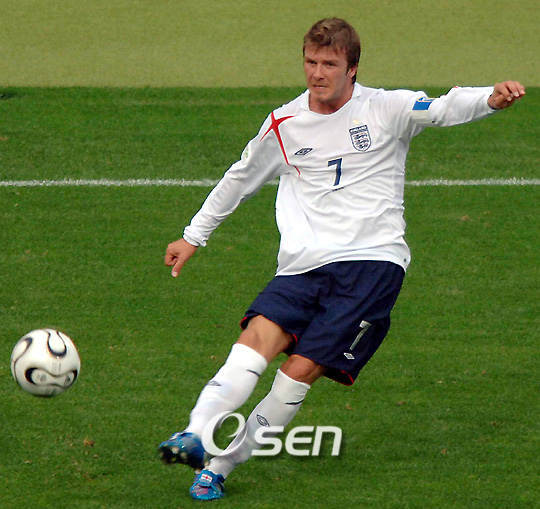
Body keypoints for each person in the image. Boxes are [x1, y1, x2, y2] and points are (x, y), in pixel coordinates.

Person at [158, 17, 525, 501]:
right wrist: (193, 236)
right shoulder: (284, 123)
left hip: (372, 266)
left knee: (296, 375)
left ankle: (221, 466)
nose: (317, 73)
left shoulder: (385, 108)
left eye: (329, 64)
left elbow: (442, 107)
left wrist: (489, 100)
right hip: (302, 265)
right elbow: (240, 177)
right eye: (311, 62)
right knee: (253, 343)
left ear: (352, 68)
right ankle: (195, 433)